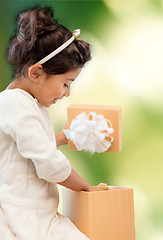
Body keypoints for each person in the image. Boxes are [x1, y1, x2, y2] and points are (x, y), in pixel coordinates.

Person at [0, 6, 97, 240]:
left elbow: (28, 153)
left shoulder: (28, 104)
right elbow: (48, 164)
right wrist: (88, 189)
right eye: (66, 83)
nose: (67, 93)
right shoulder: (13, 104)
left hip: (38, 213)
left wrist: (62, 138)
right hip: (19, 217)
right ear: (36, 73)